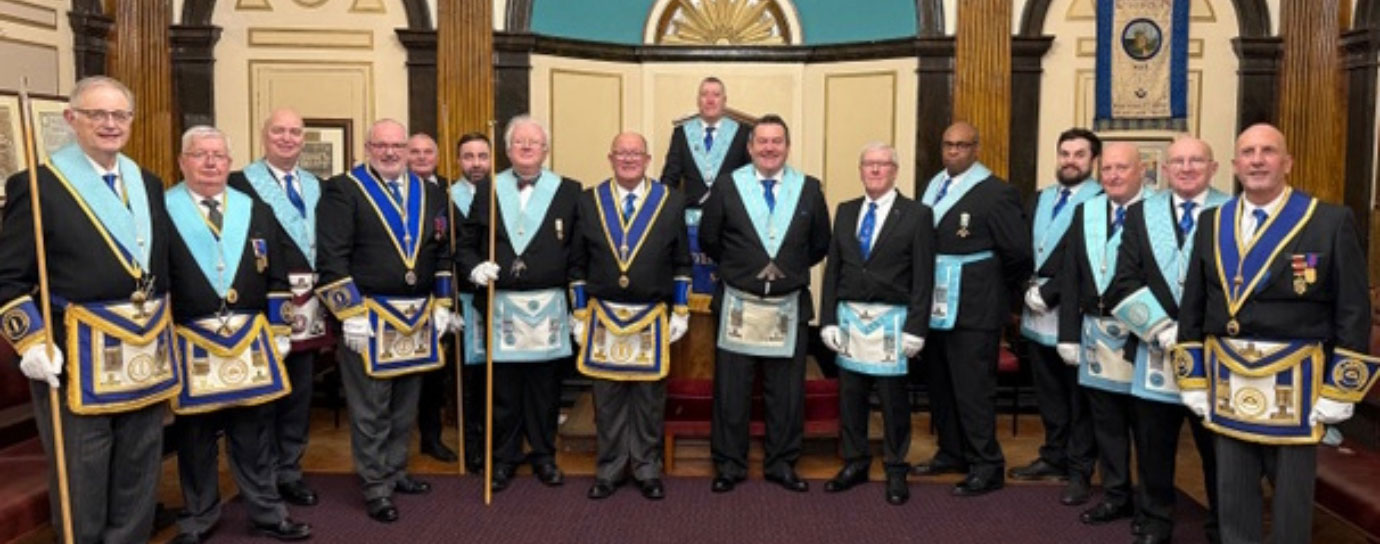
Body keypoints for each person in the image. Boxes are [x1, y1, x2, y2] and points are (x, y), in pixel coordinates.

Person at [1175, 124, 1378, 544]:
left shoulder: (1328, 220)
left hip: (1297, 384)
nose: (1257, 160)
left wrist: (1341, 389)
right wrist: (1192, 377)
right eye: (1248, 152)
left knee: (1290, 503)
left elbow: (1353, 310)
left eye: (1268, 151)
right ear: (1235, 165)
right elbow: (1194, 305)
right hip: (1228, 379)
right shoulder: (1213, 221)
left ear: (1287, 163)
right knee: (1233, 495)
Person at [0, 76, 177, 543]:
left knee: (140, 462)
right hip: (74, 354)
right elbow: (7, 279)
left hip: (144, 349)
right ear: (71, 119)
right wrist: (30, 340)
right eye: (97, 114)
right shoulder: (38, 186)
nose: (110, 124)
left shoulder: (148, 183)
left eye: (120, 115)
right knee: (83, 470)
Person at [165, 126, 310, 543]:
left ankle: (267, 512)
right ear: (183, 161)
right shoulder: (162, 209)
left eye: (219, 155)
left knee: (254, 433)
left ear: (230, 162)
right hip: (191, 339)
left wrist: (280, 328)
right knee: (196, 438)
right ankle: (200, 517)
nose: (211, 163)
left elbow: (278, 274)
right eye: (200, 154)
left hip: (249, 339)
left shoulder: (255, 209)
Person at [315, 119, 458, 523]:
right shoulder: (344, 190)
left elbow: (441, 253)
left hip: (417, 318)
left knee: (404, 405)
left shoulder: (430, 192)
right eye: (382, 145)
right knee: (371, 408)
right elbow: (331, 258)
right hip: (369, 316)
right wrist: (349, 314)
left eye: (398, 145)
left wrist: (443, 303)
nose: (391, 152)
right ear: (368, 148)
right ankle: (375, 485)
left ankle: (396, 471)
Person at [699, 114, 830, 494]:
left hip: (787, 305)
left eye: (777, 141)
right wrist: (745, 269)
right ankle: (729, 464)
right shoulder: (728, 186)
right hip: (738, 304)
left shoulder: (808, 188)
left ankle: (782, 463)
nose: (769, 148)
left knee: (786, 393)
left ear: (787, 147)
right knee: (731, 391)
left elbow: (820, 243)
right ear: (750, 147)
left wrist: (783, 271)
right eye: (763, 141)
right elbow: (710, 239)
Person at [1107, 136, 1225, 544]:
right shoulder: (1141, 214)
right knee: (1153, 445)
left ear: (1213, 168)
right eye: (1178, 161)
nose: (1186, 168)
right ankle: (1156, 520)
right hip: (1154, 347)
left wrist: (1194, 333)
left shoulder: (1231, 212)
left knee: (1217, 450)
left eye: (1196, 161)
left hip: (1214, 353)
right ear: (1165, 169)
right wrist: (1160, 329)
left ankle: (1223, 525)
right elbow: (1124, 281)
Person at [457, 115, 582, 492]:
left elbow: (579, 253)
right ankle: (504, 459)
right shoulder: (488, 188)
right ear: (508, 150)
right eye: (519, 142)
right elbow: (466, 244)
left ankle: (544, 456)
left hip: (550, 307)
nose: (526, 148)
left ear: (546, 150)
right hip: (502, 306)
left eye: (534, 142)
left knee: (545, 391)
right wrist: (475, 268)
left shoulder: (569, 191)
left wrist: (579, 307)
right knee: (504, 393)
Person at [911, 122, 1031, 497]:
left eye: (962, 145)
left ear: (976, 148)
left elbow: (1018, 253)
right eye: (947, 144)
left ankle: (986, 464)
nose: (953, 151)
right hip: (936, 303)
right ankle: (952, 452)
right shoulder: (933, 185)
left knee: (972, 390)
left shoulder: (998, 192)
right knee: (941, 385)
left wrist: (991, 287)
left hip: (975, 307)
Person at [570, 132, 692, 501]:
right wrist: (579, 312)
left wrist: (681, 310)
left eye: (635, 153)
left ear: (648, 159)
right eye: (621, 153)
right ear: (610, 158)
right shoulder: (589, 200)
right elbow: (577, 263)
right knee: (606, 401)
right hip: (602, 316)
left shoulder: (670, 201)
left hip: (651, 316)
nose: (628, 159)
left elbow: (682, 262)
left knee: (648, 400)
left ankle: (646, 468)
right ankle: (608, 470)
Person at [818, 142, 934, 505]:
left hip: (892, 324)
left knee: (893, 402)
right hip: (849, 321)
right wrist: (827, 319)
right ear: (861, 169)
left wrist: (917, 327)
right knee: (850, 399)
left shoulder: (917, 215)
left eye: (882, 164)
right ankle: (855, 462)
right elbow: (833, 269)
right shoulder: (846, 210)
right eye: (868, 164)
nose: (875, 170)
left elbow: (924, 276)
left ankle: (896, 468)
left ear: (895, 170)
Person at [227, 108, 328, 508]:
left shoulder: (317, 186)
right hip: (264, 302)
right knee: (263, 397)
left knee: (300, 394)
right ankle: (260, 478)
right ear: (264, 135)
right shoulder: (239, 183)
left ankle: (289, 471)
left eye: (295, 132)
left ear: (304, 139)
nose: (287, 138)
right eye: (279, 131)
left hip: (311, 304)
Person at [1056, 142, 1151, 526]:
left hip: (1144, 336)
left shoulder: (1158, 212)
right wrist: (1067, 334)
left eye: (1121, 168)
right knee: (1106, 424)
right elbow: (1071, 274)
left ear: (1142, 170)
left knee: (1147, 427)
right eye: (1107, 169)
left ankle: (1151, 505)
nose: (1112, 175)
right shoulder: (1087, 211)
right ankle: (1116, 496)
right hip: (1095, 332)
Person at [1009, 129, 1102, 507]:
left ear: (1093, 160)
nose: (1070, 161)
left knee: (1079, 397)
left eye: (1079, 154)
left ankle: (1080, 469)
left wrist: (1050, 292)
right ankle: (1053, 456)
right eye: (1065, 153)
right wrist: (1026, 289)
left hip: (1072, 311)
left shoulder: (1100, 202)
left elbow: (1090, 259)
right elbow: (1020, 249)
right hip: (1035, 311)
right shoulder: (1041, 197)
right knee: (1048, 392)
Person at [659, 76, 752, 296]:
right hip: (689, 223)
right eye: (704, 94)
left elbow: (749, 180)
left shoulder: (743, 133)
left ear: (724, 100)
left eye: (716, 95)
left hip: (728, 224)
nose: (710, 100)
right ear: (698, 100)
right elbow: (670, 177)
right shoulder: (682, 133)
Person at [407, 131, 460, 463]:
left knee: (434, 375)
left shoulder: (448, 192)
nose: (422, 157)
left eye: (428, 152)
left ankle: (431, 437)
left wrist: (447, 302)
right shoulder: (392, 190)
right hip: (399, 298)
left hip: (439, 295)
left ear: (438, 158)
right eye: (415, 151)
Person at [450, 132, 492, 473]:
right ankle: (472, 446)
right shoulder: (445, 197)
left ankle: (497, 443)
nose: (476, 163)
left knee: (496, 379)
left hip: (495, 300)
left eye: (482, 156)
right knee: (468, 381)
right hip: (460, 300)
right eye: (468, 156)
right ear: (458, 161)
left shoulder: (502, 193)